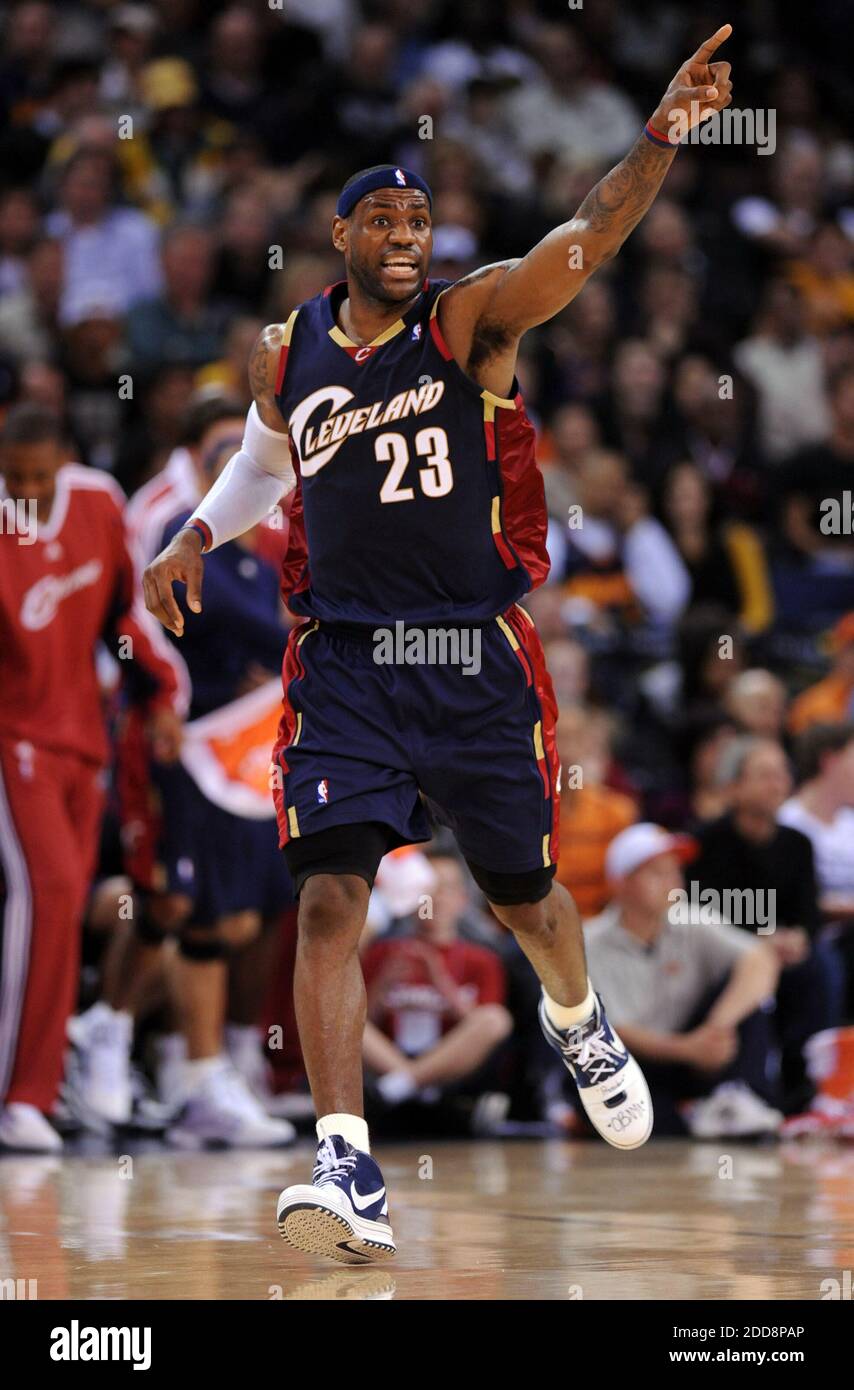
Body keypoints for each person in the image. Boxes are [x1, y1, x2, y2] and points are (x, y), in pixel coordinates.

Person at [144, 27, 736, 1264]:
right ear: (343, 239)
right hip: (346, 662)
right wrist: (200, 531)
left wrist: (660, 135)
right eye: (386, 219)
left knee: (524, 899)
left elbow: (590, 235)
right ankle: (347, 1165)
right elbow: (266, 462)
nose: (409, 231)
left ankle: (575, 1017)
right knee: (325, 903)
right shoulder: (283, 351)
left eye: (421, 217)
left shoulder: (473, 321)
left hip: (472, 655)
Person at [0, 404, 184, 1152]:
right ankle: (23, 1093)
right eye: (14, 478)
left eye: (40, 476)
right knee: (42, 897)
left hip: (86, 740)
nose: (28, 490)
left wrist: (160, 696)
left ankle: (46, 1079)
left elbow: (124, 618)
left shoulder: (101, 501)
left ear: (66, 463)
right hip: (15, 746)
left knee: (69, 903)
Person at [583, 824, 780, 1137]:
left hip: (694, 1051)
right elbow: (610, 1031)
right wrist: (689, 1049)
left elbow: (760, 959)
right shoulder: (589, 943)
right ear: (621, 884)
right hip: (632, 1065)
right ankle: (692, 1113)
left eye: (674, 872)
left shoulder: (690, 919)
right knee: (648, 1125)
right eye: (657, 873)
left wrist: (717, 1027)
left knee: (745, 995)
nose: (672, 883)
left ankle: (740, 1097)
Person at [692, 736, 836, 1111]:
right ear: (733, 787)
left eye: (781, 774)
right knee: (747, 972)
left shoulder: (798, 843)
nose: (776, 784)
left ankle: (807, 1085)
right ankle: (739, 1088)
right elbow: (700, 914)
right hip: (728, 955)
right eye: (764, 775)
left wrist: (799, 937)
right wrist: (759, 940)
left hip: (785, 953)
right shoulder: (704, 842)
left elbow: (809, 911)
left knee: (820, 966)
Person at [362, 850, 511, 1129]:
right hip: (390, 1059)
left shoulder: (482, 959)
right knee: (343, 1017)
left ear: (462, 899)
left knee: (495, 1018)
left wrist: (442, 983)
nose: (434, 899)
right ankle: (411, 1082)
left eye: (445, 889)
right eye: (425, 889)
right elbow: (361, 1025)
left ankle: (405, 1084)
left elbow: (485, 1029)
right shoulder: (383, 952)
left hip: (451, 1071)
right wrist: (383, 985)